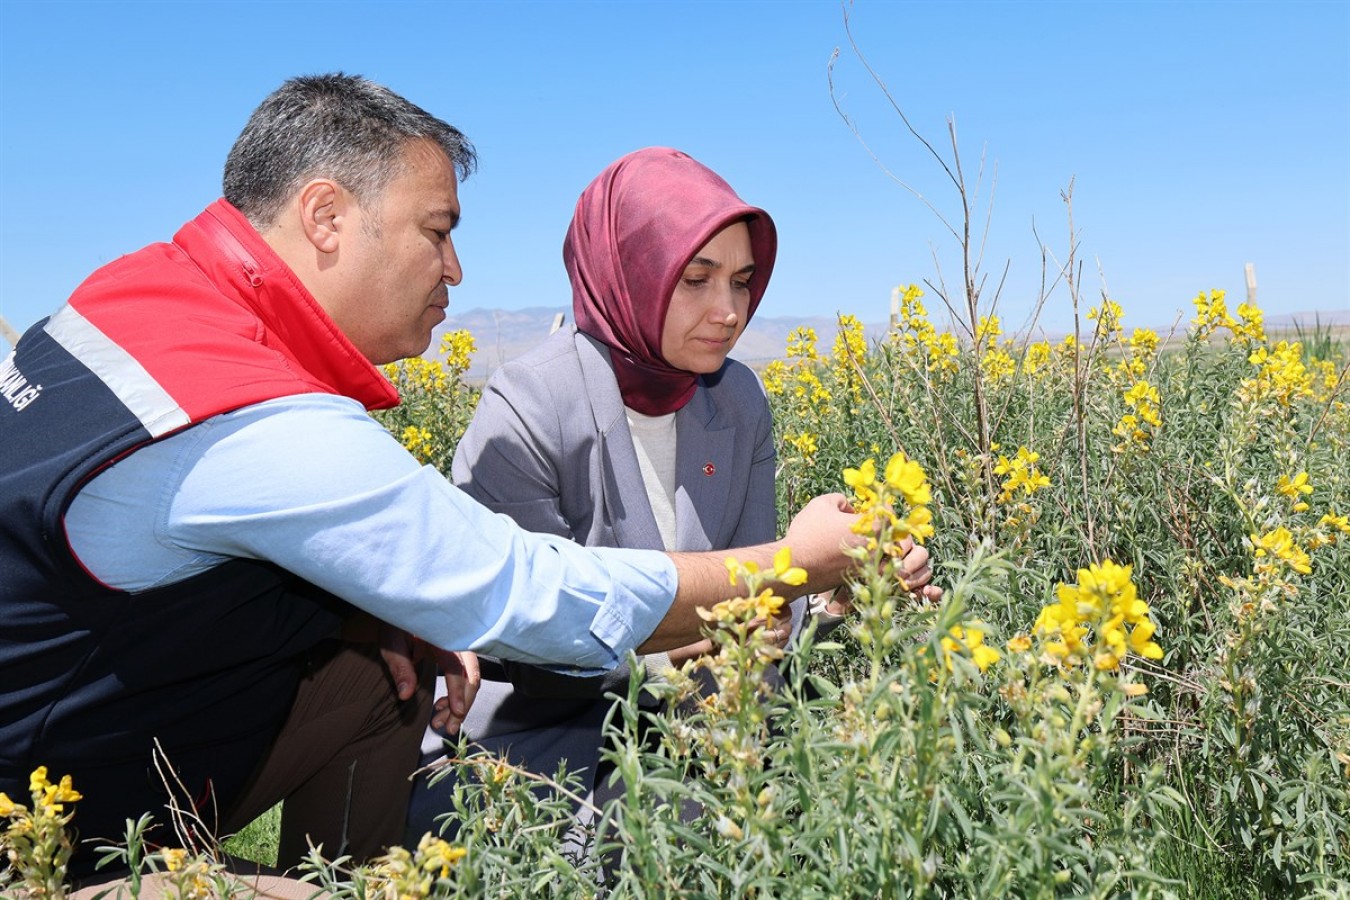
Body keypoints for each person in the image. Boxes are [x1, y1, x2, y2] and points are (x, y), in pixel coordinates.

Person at [0, 75, 917, 880]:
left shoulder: (141, 299)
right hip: (31, 826)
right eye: (436, 231)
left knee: (381, 662)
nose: (456, 267)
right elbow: (526, 593)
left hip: (80, 731)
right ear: (325, 217)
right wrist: (796, 564)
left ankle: (351, 879)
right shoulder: (253, 420)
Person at [405, 148, 940, 840]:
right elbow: (539, 642)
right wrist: (752, 597)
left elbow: (758, 597)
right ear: (629, 275)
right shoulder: (529, 405)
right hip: (547, 752)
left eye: (743, 282)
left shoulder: (738, 397)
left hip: (709, 725)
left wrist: (836, 594)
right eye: (696, 279)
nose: (728, 312)